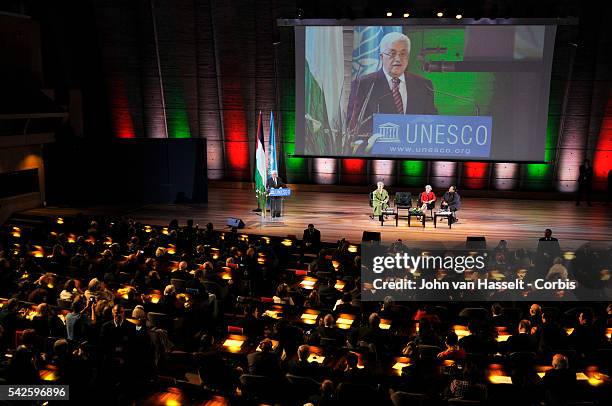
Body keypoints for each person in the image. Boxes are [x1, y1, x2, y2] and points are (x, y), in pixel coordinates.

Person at [347, 32, 437, 139]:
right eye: (392, 53)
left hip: (413, 149)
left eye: (403, 54)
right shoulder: (363, 84)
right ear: (381, 56)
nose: (398, 59)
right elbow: (353, 124)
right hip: (377, 151)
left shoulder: (423, 85)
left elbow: (432, 120)